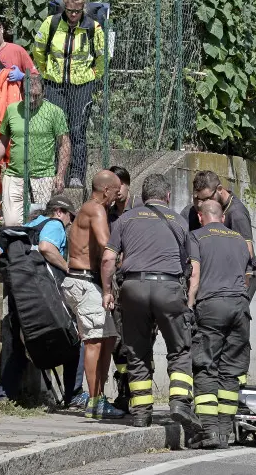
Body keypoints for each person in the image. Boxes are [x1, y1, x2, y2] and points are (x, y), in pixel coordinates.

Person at [100, 174, 201, 434]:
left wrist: (107, 291)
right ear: (168, 196)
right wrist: (188, 301)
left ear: (143, 197)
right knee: (179, 349)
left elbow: (108, 259)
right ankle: (179, 403)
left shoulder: (125, 219)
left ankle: (141, 414)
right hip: (169, 288)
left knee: (137, 352)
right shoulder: (179, 221)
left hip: (133, 288)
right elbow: (193, 266)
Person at [0, 194, 88, 408]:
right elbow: (46, 247)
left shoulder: (25, 228)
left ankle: (3, 395)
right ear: (59, 211)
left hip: (21, 295)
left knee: (18, 342)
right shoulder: (53, 224)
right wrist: (67, 268)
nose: (70, 221)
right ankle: (74, 395)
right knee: (74, 338)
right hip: (47, 295)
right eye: (69, 216)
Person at [186, 200, 252, 450]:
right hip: (239, 307)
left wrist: (189, 305)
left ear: (201, 217)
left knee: (205, 366)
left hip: (211, 306)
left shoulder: (196, 237)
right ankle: (226, 431)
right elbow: (248, 272)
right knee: (231, 370)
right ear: (222, 217)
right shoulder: (239, 239)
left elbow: (194, 275)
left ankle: (209, 430)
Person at [62, 170, 125, 419]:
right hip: (83, 281)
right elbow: (106, 244)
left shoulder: (93, 209)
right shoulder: (96, 209)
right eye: (116, 191)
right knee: (94, 341)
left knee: (108, 338)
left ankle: (99, 396)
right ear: (106, 190)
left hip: (89, 283)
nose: (118, 196)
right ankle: (94, 402)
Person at [33, 0, 104, 188]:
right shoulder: (52, 23)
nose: (73, 15)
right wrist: (45, 71)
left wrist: (93, 77)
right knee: (56, 129)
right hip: (54, 84)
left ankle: (76, 175)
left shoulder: (93, 28)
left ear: (84, 8)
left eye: (77, 11)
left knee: (77, 130)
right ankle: (54, 172)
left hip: (81, 86)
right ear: (65, 6)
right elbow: (38, 50)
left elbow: (102, 57)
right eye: (70, 10)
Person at [0, 15, 39, 219]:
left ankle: (18, 209)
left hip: (16, 117)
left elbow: (36, 80)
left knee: (16, 163)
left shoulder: (17, 51)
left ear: (2, 29)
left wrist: (24, 77)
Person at [0, 75, 71, 227]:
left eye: (36, 96)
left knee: (40, 222)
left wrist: (60, 175)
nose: (31, 100)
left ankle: (34, 250)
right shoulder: (12, 110)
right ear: (21, 92)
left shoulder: (55, 112)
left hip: (43, 175)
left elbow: (64, 144)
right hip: (14, 174)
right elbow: (2, 141)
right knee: (11, 222)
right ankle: (16, 249)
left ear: (44, 93)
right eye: (28, 95)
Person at [182, 171, 256, 300]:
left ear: (219, 189)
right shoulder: (193, 210)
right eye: (197, 199)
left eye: (206, 199)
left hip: (242, 276)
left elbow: (247, 252)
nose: (201, 204)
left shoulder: (236, 214)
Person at [106, 165, 143, 411]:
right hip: (116, 285)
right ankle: (123, 390)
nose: (116, 191)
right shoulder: (105, 214)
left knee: (140, 340)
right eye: (112, 186)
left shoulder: (141, 211)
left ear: (128, 185)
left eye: (120, 185)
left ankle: (138, 391)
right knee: (118, 340)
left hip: (138, 283)